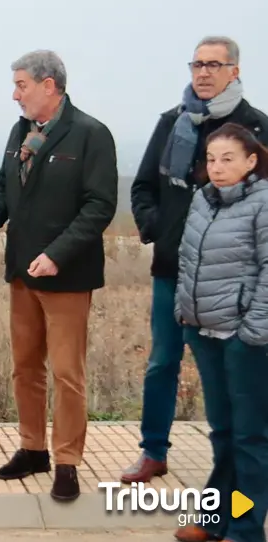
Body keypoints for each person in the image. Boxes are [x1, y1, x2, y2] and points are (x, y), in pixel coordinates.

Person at [0, 50, 118, 501]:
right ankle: (32, 448)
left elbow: (99, 206)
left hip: (66, 275)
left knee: (66, 372)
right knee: (25, 368)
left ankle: (68, 461)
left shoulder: (91, 134)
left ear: (49, 86)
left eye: (21, 85)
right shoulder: (21, 131)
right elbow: (5, 186)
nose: (14, 94)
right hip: (22, 272)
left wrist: (57, 254)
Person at [125, 35, 268, 485]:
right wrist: (160, 232)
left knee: (233, 389)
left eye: (213, 64)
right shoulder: (173, 123)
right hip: (175, 271)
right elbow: (143, 187)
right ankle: (153, 450)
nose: (203, 72)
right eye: (196, 64)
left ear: (235, 71)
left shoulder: (256, 129)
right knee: (163, 361)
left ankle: (235, 492)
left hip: (232, 285)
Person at [172, 123, 268, 542]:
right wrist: (184, 313)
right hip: (204, 331)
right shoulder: (202, 200)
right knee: (224, 433)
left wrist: (254, 331)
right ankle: (215, 521)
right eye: (211, 159)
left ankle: (245, 530)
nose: (218, 167)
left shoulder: (263, 203)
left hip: (244, 338)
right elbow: (188, 260)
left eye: (228, 158)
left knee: (249, 437)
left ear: (250, 161)